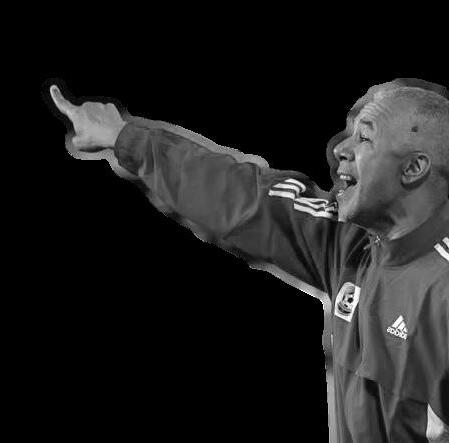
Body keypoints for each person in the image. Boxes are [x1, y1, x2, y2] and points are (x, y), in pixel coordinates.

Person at [50, 78, 449, 442]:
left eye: (364, 138)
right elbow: (242, 197)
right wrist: (124, 137)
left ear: (413, 168)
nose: (339, 150)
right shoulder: (350, 242)